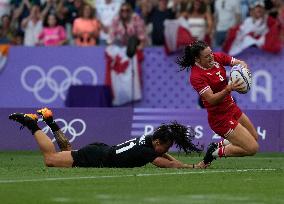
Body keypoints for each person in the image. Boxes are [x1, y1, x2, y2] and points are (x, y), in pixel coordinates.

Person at [9, 107, 204, 168]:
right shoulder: (147, 151)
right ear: (157, 142)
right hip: (97, 156)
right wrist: (192, 167)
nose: (167, 151)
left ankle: (50, 121)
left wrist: (189, 166)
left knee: (68, 152)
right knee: (51, 160)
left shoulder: (149, 141)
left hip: (101, 150)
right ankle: (32, 123)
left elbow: (166, 157)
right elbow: (167, 163)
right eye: (166, 147)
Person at [177, 40, 259, 166]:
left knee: (254, 137)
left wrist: (243, 69)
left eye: (211, 53)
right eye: (207, 56)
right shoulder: (196, 76)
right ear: (197, 59)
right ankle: (214, 153)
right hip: (220, 119)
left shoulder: (217, 57)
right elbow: (211, 99)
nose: (211, 57)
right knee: (252, 148)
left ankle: (216, 146)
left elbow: (239, 63)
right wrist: (228, 88)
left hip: (232, 108)